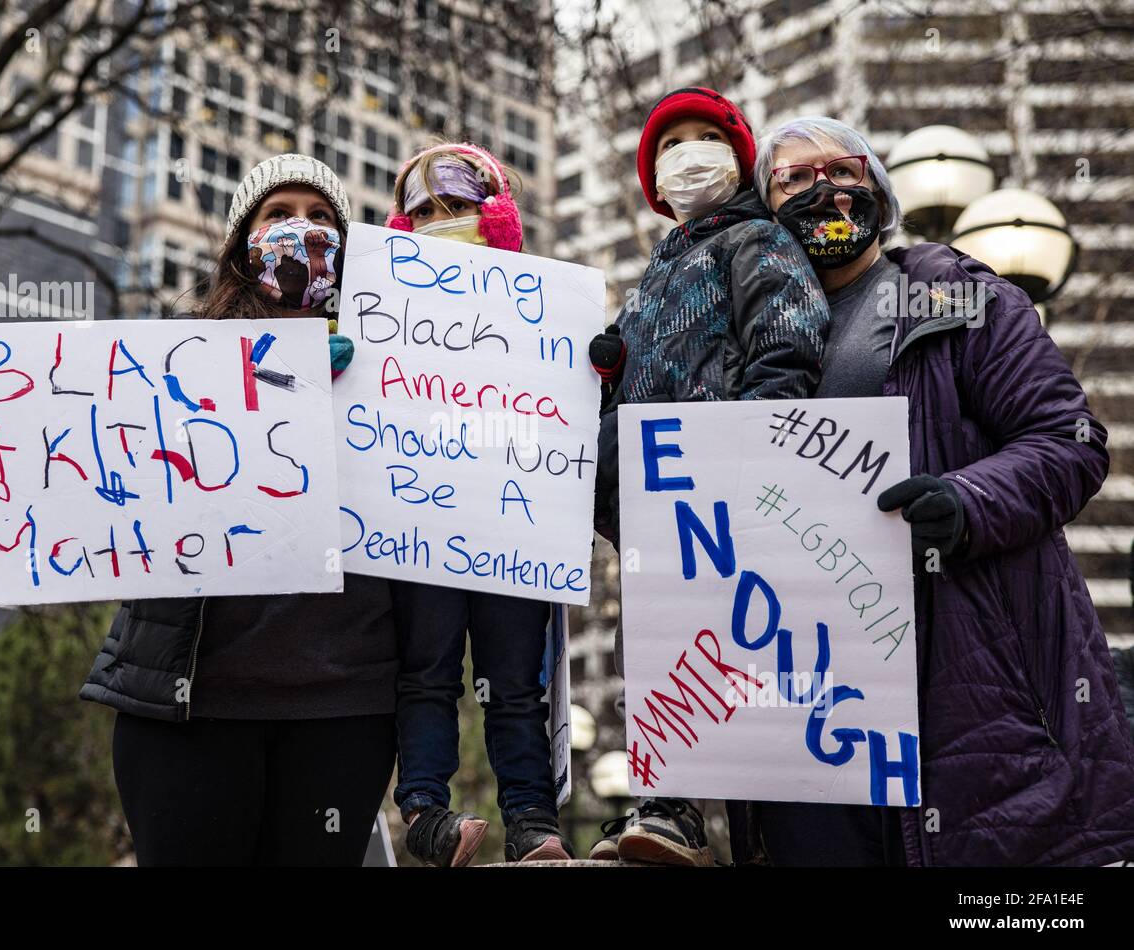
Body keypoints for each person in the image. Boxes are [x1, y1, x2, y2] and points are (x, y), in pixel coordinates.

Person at [0, 153, 399, 866]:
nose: (302, 229)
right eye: (279, 213)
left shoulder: (394, 376)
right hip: (186, 710)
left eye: (322, 219)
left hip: (341, 713)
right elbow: (73, 474)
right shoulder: (164, 367)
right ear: (241, 245)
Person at [745, 115, 1134, 866]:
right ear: (764, 213)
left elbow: (1071, 441)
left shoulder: (959, 301)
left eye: (843, 171)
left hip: (969, 694)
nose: (822, 188)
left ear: (878, 191)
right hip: (797, 711)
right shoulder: (738, 346)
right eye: (794, 178)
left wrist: (966, 503)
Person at [587, 88, 831, 866]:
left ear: (741, 158)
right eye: (671, 143)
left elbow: (787, 345)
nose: (690, 152)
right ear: (653, 179)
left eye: (706, 136)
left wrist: (749, 449)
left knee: (734, 646)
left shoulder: (757, 240)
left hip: (726, 487)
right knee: (661, 648)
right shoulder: (652, 276)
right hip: (653, 500)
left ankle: (747, 818)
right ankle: (669, 801)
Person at [377, 141, 572, 866]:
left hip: (511, 520)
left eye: (456, 205)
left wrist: (598, 367)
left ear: (493, 212)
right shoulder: (382, 309)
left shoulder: (543, 306)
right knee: (425, 670)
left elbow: (570, 402)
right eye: (423, 210)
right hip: (418, 519)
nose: (439, 220)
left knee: (515, 680)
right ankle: (424, 810)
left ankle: (532, 820)